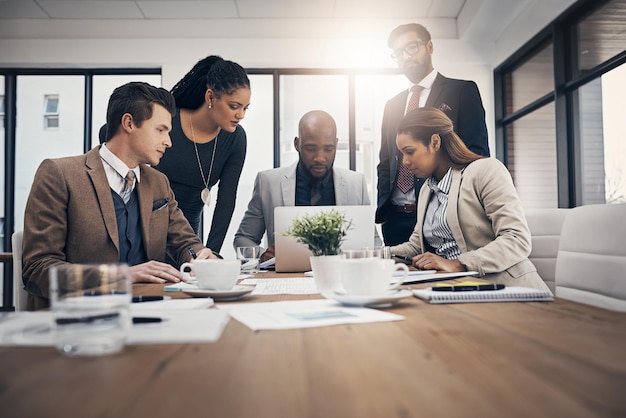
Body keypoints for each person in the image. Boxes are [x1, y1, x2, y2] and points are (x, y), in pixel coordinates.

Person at [22, 82, 218, 310]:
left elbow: (185, 242)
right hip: (78, 320)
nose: (169, 141)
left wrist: (201, 259)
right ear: (129, 123)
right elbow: (38, 270)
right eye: (160, 130)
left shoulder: (158, 182)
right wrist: (121, 275)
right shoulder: (59, 174)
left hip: (153, 312)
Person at [100, 56, 251, 253]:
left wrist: (211, 253)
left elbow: (226, 200)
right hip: (144, 229)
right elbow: (109, 132)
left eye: (245, 108)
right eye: (234, 106)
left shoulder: (235, 138)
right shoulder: (168, 122)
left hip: (185, 236)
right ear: (210, 98)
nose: (241, 115)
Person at [390, 107, 550, 293]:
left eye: (409, 151)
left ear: (435, 142)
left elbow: (517, 239)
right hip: (457, 287)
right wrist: (373, 255)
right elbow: (415, 246)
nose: (405, 162)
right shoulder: (427, 188)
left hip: (506, 288)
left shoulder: (485, 171)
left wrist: (459, 264)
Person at [376, 23, 490, 246]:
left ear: (429, 46)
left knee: (438, 277)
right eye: (398, 53)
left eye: (411, 48)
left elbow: (476, 154)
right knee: (396, 279)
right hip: (395, 218)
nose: (405, 57)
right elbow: (386, 161)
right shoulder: (392, 105)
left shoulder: (461, 91)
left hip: (440, 215)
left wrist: (454, 204)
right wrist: (384, 203)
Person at [234, 110, 371, 262]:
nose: (319, 158)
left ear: (336, 145)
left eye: (328, 149)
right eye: (310, 149)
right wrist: (263, 255)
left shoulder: (356, 184)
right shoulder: (268, 183)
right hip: (284, 278)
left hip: (341, 277)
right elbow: (243, 239)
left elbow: (373, 243)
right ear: (297, 144)